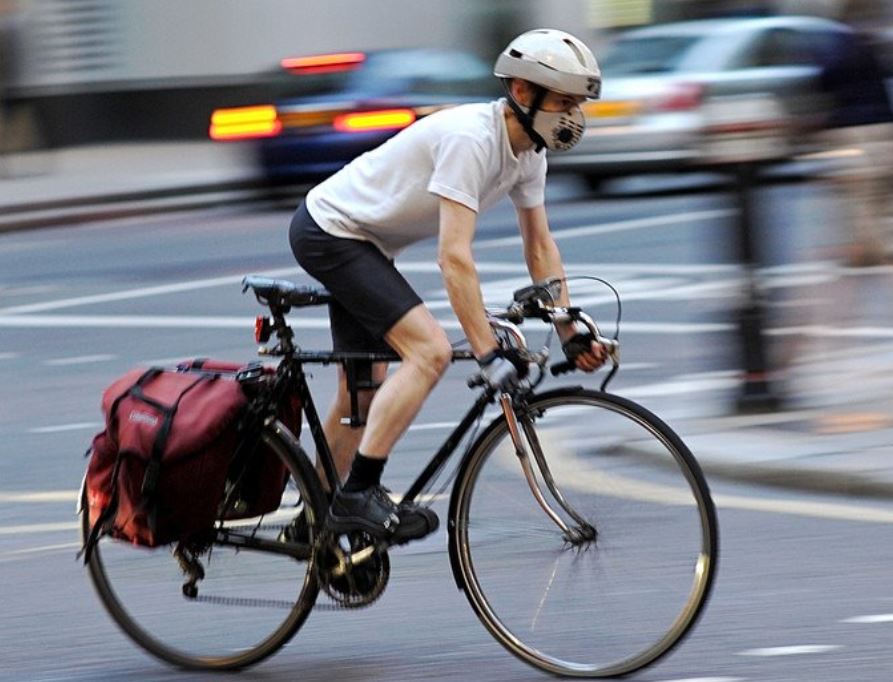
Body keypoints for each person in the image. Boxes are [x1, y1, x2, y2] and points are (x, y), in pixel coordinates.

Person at [288, 29, 607, 545]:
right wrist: (486, 351)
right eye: (564, 101)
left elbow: (540, 247)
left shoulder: (530, 153)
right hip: (331, 231)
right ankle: (357, 493)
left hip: (368, 245)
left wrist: (569, 326)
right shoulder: (472, 139)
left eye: (579, 104)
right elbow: (453, 256)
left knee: (361, 391)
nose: (574, 116)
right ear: (523, 93)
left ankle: (312, 521)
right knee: (430, 353)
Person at [817, 25, 893, 265]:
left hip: (852, 128)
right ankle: (881, 245)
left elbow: (824, 80)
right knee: (882, 189)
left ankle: (873, 250)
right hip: (882, 124)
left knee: (862, 193)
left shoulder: (836, 52)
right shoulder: (871, 53)